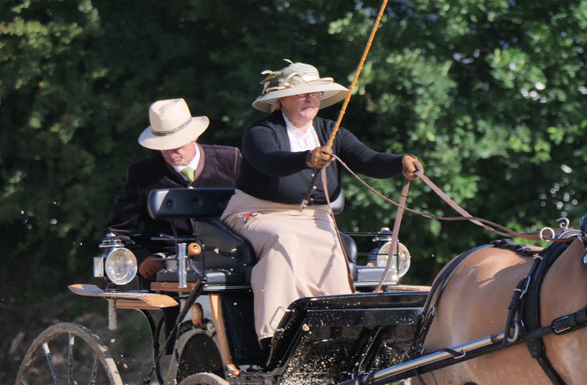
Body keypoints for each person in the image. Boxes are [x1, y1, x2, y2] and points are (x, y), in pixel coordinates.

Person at [221, 60, 422, 345]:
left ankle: (339, 332)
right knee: (282, 238)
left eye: (315, 93)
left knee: (332, 246)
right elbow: (269, 161)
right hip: (256, 212)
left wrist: (399, 162)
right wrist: (305, 158)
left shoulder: (332, 131)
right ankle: (275, 333)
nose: (310, 99)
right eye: (303, 93)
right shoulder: (261, 132)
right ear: (282, 99)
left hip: (314, 218)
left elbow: (368, 159)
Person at [105, 98, 242, 281]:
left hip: (231, 263)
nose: (171, 153)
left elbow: (258, 208)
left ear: (194, 136)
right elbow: (116, 232)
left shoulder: (230, 160)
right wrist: (141, 257)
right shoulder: (141, 174)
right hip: (167, 272)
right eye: (164, 148)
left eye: (177, 145)